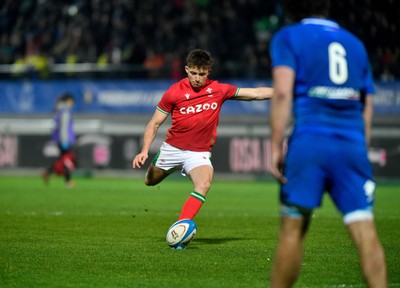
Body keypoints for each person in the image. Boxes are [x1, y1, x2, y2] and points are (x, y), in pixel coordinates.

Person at [268, 0, 387, 287]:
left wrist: (275, 145)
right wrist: (361, 146)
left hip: (310, 141)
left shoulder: (288, 36)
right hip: (352, 144)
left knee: (293, 230)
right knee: (365, 230)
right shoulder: (355, 44)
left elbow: (282, 93)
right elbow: (366, 103)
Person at [133, 49, 273, 222]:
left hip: (198, 154)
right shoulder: (174, 92)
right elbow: (153, 124)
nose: (197, 78)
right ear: (186, 69)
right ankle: (161, 167)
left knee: (204, 184)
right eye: (193, 73)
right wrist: (144, 150)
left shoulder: (219, 90)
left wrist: (284, 92)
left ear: (208, 72)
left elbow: (255, 94)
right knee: (150, 181)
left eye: (201, 74)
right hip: (172, 150)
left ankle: (181, 227)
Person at [41, 93, 77, 188]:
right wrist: (65, 141)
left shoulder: (58, 111)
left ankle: (49, 172)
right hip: (64, 140)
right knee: (67, 160)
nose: (72, 104)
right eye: (72, 102)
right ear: (68, 101)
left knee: (63, 160)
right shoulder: (65, 112)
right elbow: (64, 128)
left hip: (58, 139)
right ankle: (67, 181)